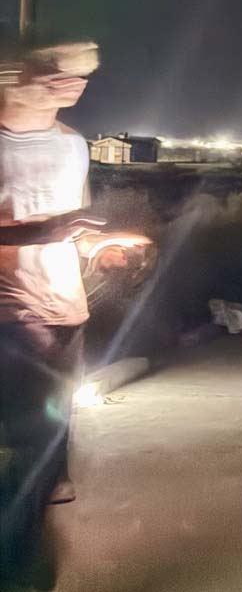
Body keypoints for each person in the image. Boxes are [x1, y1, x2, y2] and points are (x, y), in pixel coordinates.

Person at [0, 41, 150, 588]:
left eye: (83, 74)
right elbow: (49, 227)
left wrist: (105, 254)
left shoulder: (71, 145)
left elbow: (71, 227)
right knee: (22, 454)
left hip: (64, 312)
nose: (73, 84)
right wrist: (47, 233)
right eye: (58, 71)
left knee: (42, 442)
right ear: (15, 73)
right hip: (11, 319)